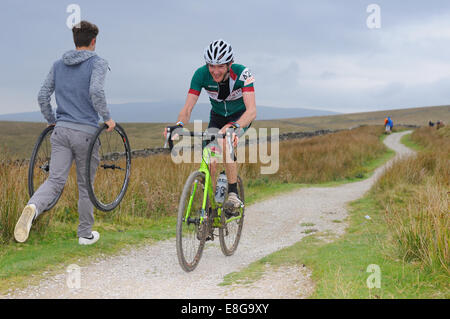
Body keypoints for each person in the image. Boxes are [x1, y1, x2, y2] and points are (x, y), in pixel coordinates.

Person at [14, 20, 115, 245]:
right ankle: (85, 234)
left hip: (61, 131)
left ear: (75, 41)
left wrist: (52, 121)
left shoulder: (58, 64)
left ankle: (33, 206)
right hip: (87, 134)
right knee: (85, 185)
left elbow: (42, 95)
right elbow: (96, 90)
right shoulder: (98, 63)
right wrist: (107, 118)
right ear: (93, 41)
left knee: (55, 180)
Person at [165, 39, 256, 209]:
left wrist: (234, 127)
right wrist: (178, 124)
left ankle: (233, 194)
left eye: (220, 66)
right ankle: (210, 209)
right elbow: (187, 108)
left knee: (224, 139)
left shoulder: (243, 73)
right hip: (217, 117)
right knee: (210, 160)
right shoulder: (200, 74)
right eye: (211, 66)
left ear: (230, 64)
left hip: (240, 118)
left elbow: (251, 111)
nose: (215, 71)